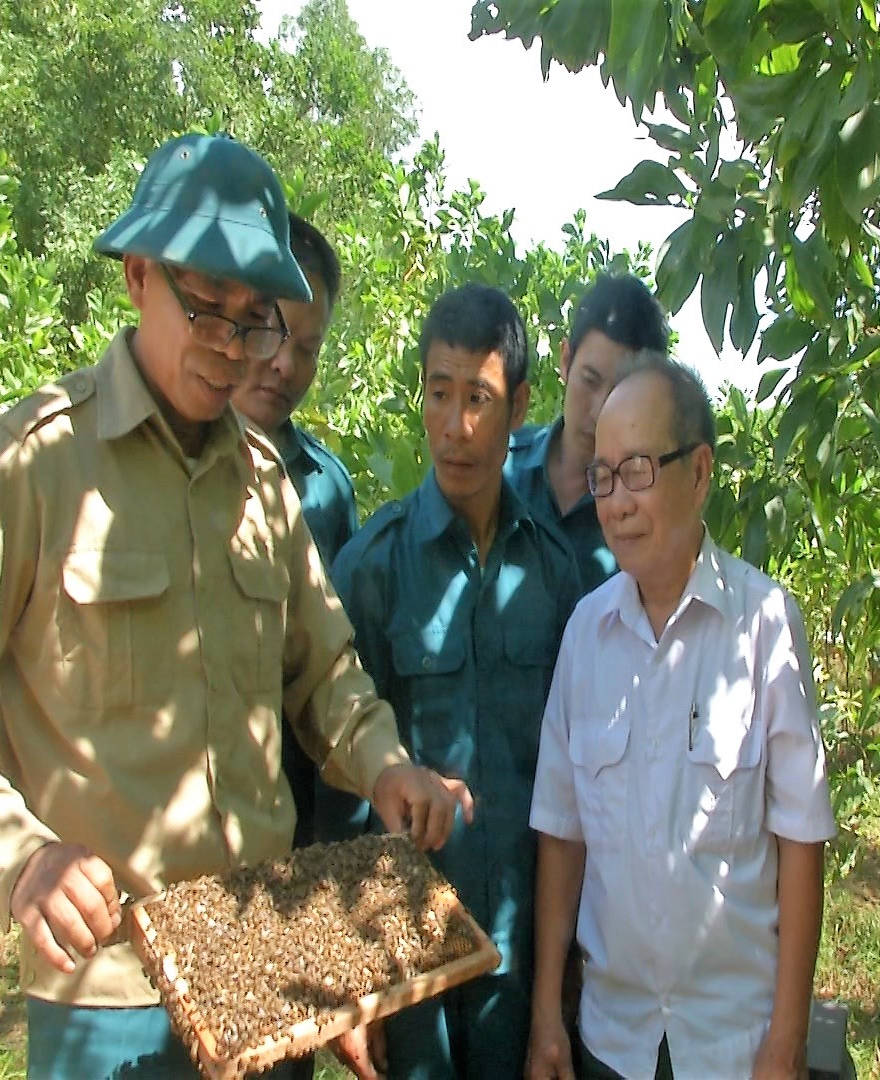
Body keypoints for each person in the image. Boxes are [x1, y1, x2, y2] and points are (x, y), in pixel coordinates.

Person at [0, 133, 471, 1079]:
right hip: (112, 992)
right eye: (206, 311)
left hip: (263, 967)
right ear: (138, 277)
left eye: (256, 321)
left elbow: (324, 672)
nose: (233, 349)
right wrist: (23, 859)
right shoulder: (35, 461)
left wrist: (383, 768)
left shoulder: (264, 484)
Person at [526, 352, 836, 1080]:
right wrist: (547, 1013)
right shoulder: (586, 636)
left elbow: (801, 840)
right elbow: (562, 833)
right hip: (614, 1037)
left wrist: (787, 1042)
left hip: (733, 1045)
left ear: (697, 473)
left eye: (638, 470)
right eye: (602, 477)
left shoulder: (764, 627)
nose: (616, 502)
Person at [332, 283, 580, 1079]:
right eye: (440, 394)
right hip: (404, 962)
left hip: (521, 951)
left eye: (479, 398)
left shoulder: (555, 571)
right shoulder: (374, 565)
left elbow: (577, 784)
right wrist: (351, 978)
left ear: (521, 408)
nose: (456, 425)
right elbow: (339, 779)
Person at [232, 212, 368, 851]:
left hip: (291, 830)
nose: (284, 365)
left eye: (307, 349)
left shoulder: (325, 490)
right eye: (270, 331)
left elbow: (329, 673)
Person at [506, 273, 668, 595]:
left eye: (620, 393)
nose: (599, 412)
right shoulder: (499, 468)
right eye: (590, 381)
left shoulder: (647, 513)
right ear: (565, 361)